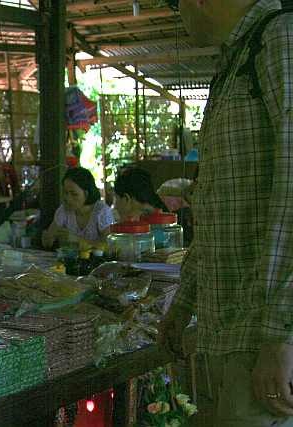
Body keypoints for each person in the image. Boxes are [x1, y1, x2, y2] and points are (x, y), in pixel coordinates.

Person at [158, 0, 293, 425]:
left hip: (266, 340)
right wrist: (184, 303)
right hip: (232, 333)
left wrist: (283, 334)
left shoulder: (281, 37)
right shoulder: (237, 61)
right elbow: (218, 206)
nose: (180, 16)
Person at [42, 167, 114, 249]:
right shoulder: (64, 210)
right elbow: (49, 240)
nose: (67, 198)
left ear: (86, 194)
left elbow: (108, 246)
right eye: (65, 192)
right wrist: (48, 238)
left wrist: (76, 240)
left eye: (74, 194)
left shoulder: (102, 212)